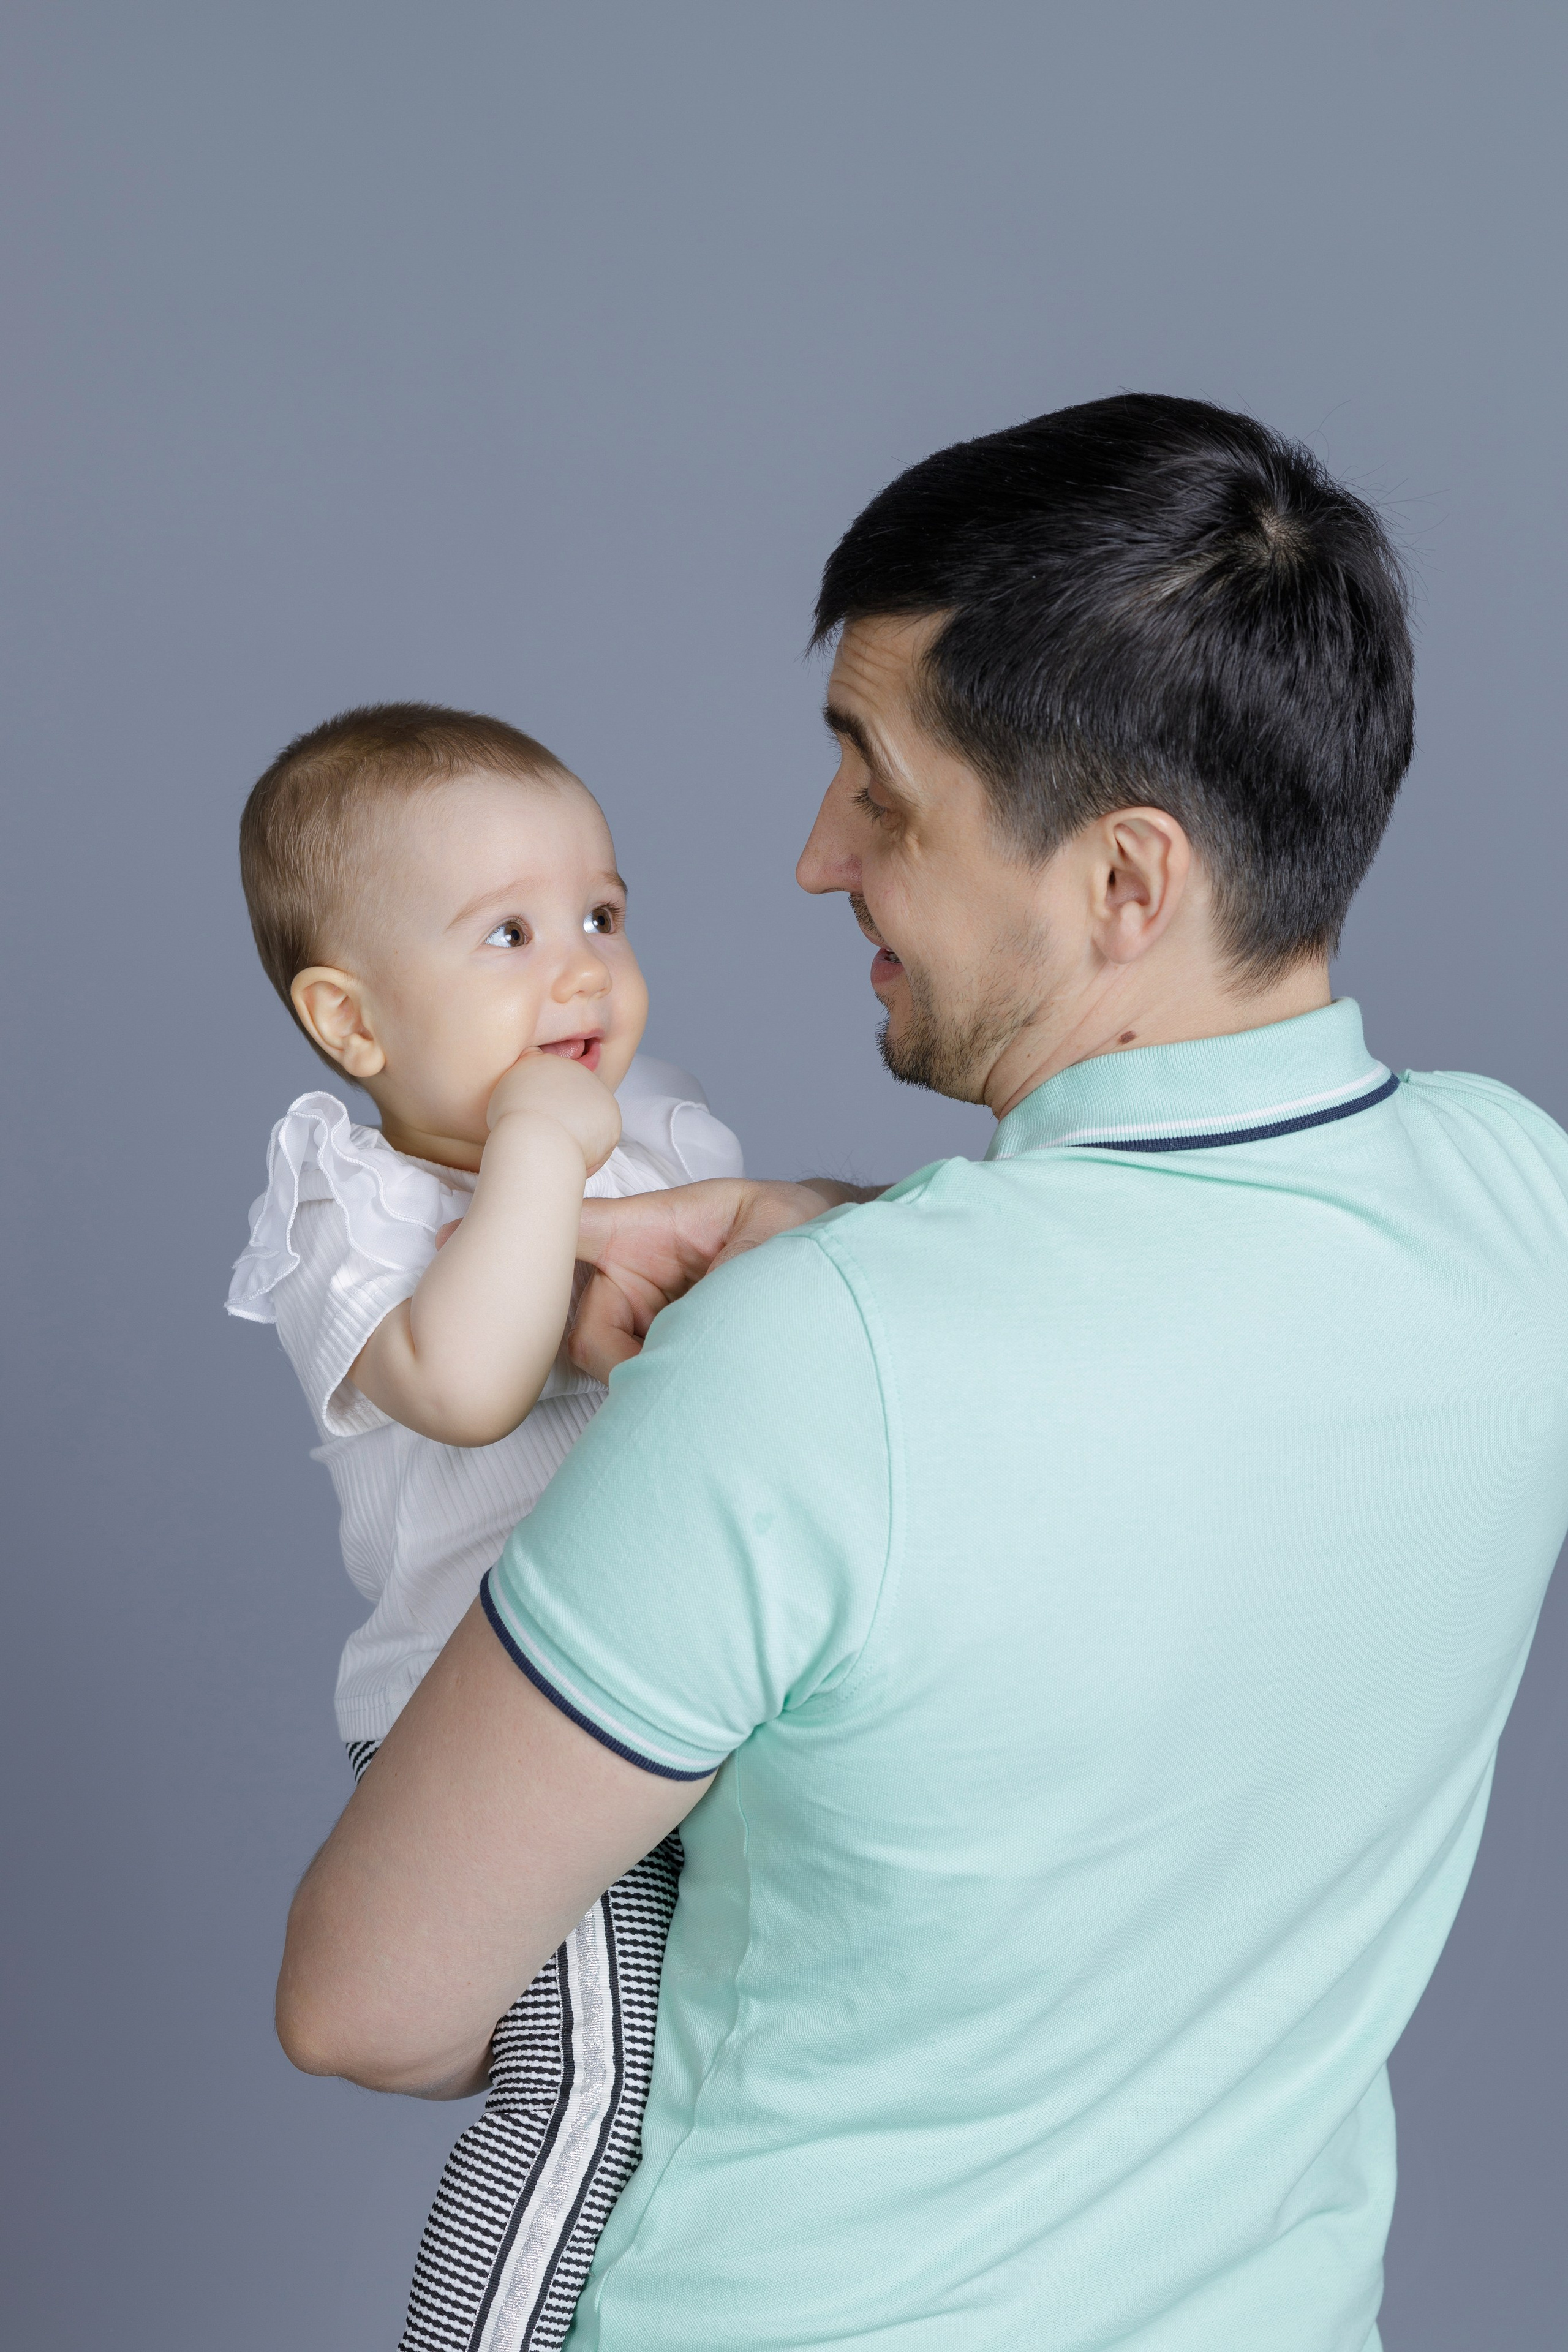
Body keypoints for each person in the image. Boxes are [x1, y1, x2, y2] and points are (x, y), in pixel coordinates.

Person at [275, 398, 1568, 2351]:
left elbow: (369, 2003)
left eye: (880, 793)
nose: (816, 860)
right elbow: (1206, 1295)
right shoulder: (1518, 1198)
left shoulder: (805, 1370)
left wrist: (834, 1273)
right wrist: (842, 1218)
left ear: (1126, 885)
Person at [228, 704, 791, 2350]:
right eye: (510, 934)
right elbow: (468, 1382)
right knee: (583, 2087)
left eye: (603, 917)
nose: (580, 970)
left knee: (711, 2081)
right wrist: (542, 1159)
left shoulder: (664, 1117)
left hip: (689, 1680)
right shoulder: (352, 1201)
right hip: (487, 1716)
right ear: (353, 1024)